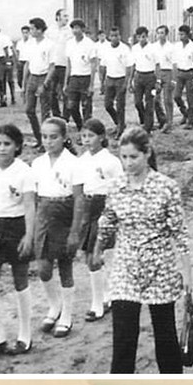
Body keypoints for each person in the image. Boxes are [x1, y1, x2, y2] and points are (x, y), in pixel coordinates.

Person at [94, 124, 190, 374]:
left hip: (160, 269)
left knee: (165, 336)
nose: (128, 163)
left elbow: (180, 233)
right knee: (124, 338)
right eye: (123, 157)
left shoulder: (166, 187)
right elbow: (108, 221)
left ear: (147, 154)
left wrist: (187, 276)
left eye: (133, 157)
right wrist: (97, 248)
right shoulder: (116, 187)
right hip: (126, 270)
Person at [0, 123, 36, 357]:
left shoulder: (24, 171)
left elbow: (30, 205)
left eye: (7, 144)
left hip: (17, 226)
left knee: (20, 279)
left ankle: (25, 334)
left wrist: (29, 235)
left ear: (17, 146)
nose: (2, 149)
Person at [31, 117, 84, 338]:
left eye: (54, 137)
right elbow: (33, 198)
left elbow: (80, 200)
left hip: (64, 215)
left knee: (64, 266)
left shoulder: (73, 163)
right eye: (45, 137)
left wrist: (74, 231)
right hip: (44, 216)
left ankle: (67, 315)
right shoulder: (37, 163)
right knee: (43, 268)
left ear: (64, 138)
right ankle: (54, 306)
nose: (49, 141)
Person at [75, 117, 123, 321]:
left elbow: (120, 187)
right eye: (84, 136)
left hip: (105, 207)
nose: (86, 140)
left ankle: (102, 302)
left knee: (102, 255)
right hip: (87, 208)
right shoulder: (81, 160)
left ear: (101, 137)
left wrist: (115, 214)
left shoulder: (111, 161)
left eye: (91, 136)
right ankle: (104, 295)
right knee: (89, 256)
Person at [24, 17, 53, 149]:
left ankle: (46, 142)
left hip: (43, 76)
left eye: (32, 29)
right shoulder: (30, 44)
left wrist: (45, 84)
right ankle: (39, 138)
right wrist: (25, 83)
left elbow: (52, 67)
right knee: (29, 110)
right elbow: (27, 63)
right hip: (33, 77)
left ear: (40, 30)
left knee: (44, 112)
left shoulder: (49, 44)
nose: (30, 31)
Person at [64, 19, 96, 130]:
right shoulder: (69, 43)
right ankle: (79, 126)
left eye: (77, 28)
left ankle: (86, 130)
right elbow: (68, 64)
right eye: (73, 28)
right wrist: (65, 83)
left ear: (83, 29)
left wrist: (91, 85)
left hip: (85, 78)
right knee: (71, 106)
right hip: (74, 78)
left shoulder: (89, 44)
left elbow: (93, 65)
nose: (75, 31)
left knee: (86, 107)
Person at [100, 27, 132, 135]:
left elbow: (129, 67)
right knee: (107, 105)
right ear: (109, 37)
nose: (114, 38)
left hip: (120, 79)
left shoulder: (125, 49)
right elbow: (103, 66)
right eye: (112, 36)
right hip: (109, 79)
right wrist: (102, 82)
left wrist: (126, 83)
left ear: (120, 36)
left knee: (120, 106)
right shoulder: (106, 49)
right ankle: (118, 123)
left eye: (116, 35)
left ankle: (121, 129)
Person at [173, 25, 193, 129]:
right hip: (180, 73)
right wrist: (175, 76)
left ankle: (190, 122)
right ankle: (185, 113)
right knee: (176, 96)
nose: (180, 36)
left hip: (189, 73)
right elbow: (175, 61)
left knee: (190, 98)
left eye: (182, 34)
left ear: (187, 35)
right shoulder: (177, 46)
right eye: (179, 34)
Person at [151, 24, 177, 132]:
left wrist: (174, 79)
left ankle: (169, 123)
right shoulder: (153, 46)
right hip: (157, 73)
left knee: (167, 99)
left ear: (166, 34)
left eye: (162, 33)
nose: (160, 35)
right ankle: (162, 120)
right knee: (155, 98)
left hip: (168, 72)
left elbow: (175, 64)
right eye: (158, 33)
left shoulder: (171, 47)